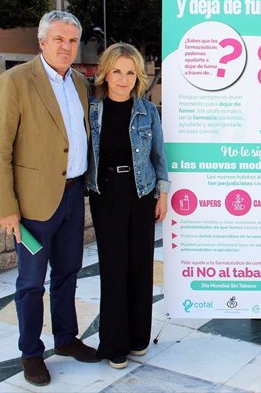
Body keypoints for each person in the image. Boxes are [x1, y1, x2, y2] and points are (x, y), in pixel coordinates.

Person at [0, 11, 99, 387]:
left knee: (67, 274)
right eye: (58, 40)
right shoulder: (16, 81)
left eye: (71, 40)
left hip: (72, 196)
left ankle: (65, 339)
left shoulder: (80, 83)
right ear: (42, 42)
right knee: (31, 284)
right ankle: (31, 352)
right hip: (33, 206)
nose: (66, 47)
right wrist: (5, 207)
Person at [86, 43, 170, 369]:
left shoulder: (147, 111)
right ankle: (114, 343)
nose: (123, 79)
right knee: (113, 267)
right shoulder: (92, 109)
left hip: (141, 192)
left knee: (139, 266)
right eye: (117, 71)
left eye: (130, 72)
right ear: (106, 73)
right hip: (105, 193)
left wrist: (162, 194)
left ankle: (138, 339)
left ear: (138, 76)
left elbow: (159, 156)